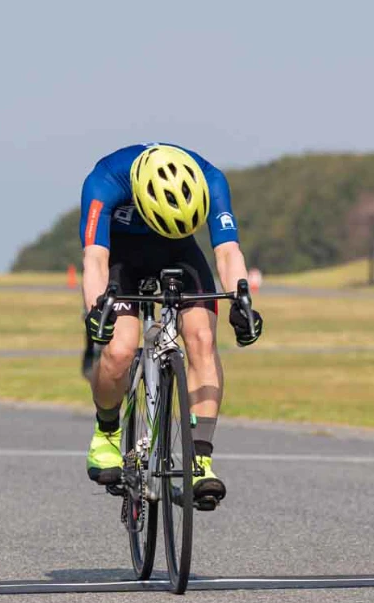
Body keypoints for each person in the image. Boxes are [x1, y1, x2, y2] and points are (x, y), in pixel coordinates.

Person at [80, 143, 263, 510]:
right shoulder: (105, 180)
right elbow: (95, 259)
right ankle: (107, 432)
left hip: (179, 250)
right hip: (121, 255)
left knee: (202, 338)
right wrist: (97, 311)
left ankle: (200, 460)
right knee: (119, 350)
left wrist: (242, 303)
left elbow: (227, 251)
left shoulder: (210, 179)